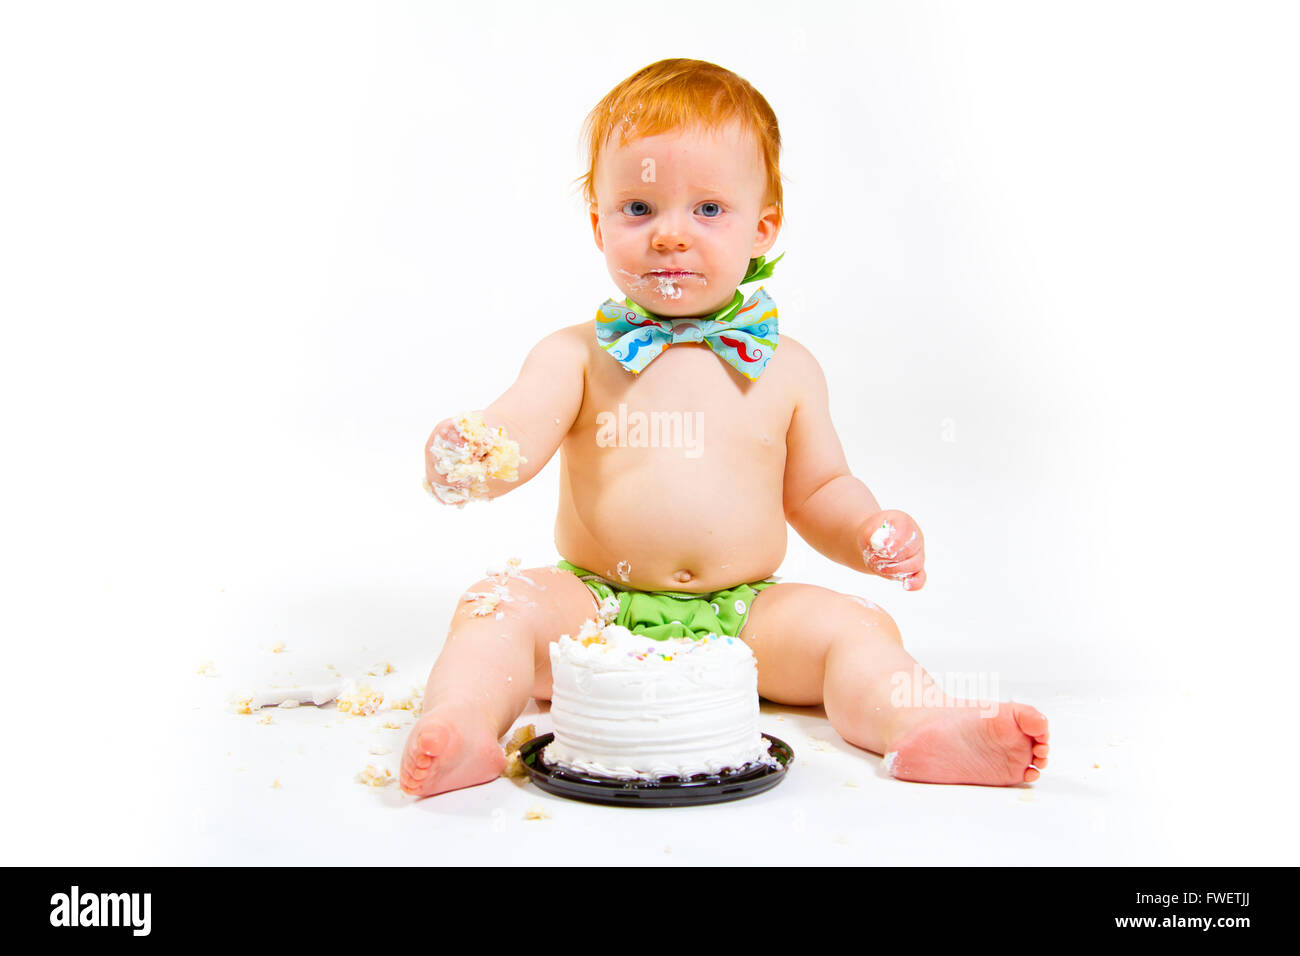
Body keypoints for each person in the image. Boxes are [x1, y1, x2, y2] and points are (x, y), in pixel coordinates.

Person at [401, 58, 1048, 797]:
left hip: (746, 614)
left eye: (708, 210)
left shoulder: (789, 369)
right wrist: (467, 455)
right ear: (598, 224)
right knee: (496, 608)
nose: (671, 236)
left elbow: (821, 488)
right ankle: (461, 727)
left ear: (763, 224)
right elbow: (510, 437)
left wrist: (868, 528)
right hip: (593, 607)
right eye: (639, 208)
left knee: (855, 630)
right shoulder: (573, 355)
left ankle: (926, 728)